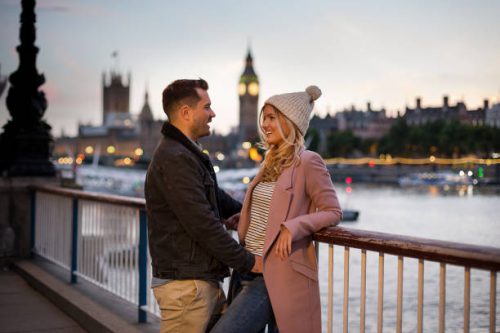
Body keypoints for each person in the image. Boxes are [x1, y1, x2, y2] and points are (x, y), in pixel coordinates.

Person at [211, 85, 342, 333]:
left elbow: (333, 211)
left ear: (289, 122)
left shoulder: (308, 161)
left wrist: (292, 227)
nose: (265, 125)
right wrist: (246, 218)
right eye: (264, 118)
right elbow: (272, 207)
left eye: (272, 118)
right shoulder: (270, 161)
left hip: (274, 273)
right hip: (246, 266)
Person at [145, 79, 261, 333]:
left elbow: (212, 196)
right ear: (186, 113)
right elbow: (203, 224)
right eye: (207, 107)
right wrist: (250, 262)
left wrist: (245, 213)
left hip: (197, 281)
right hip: (187, 287)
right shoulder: (175, 158)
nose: (213, 113)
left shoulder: (185, 152)